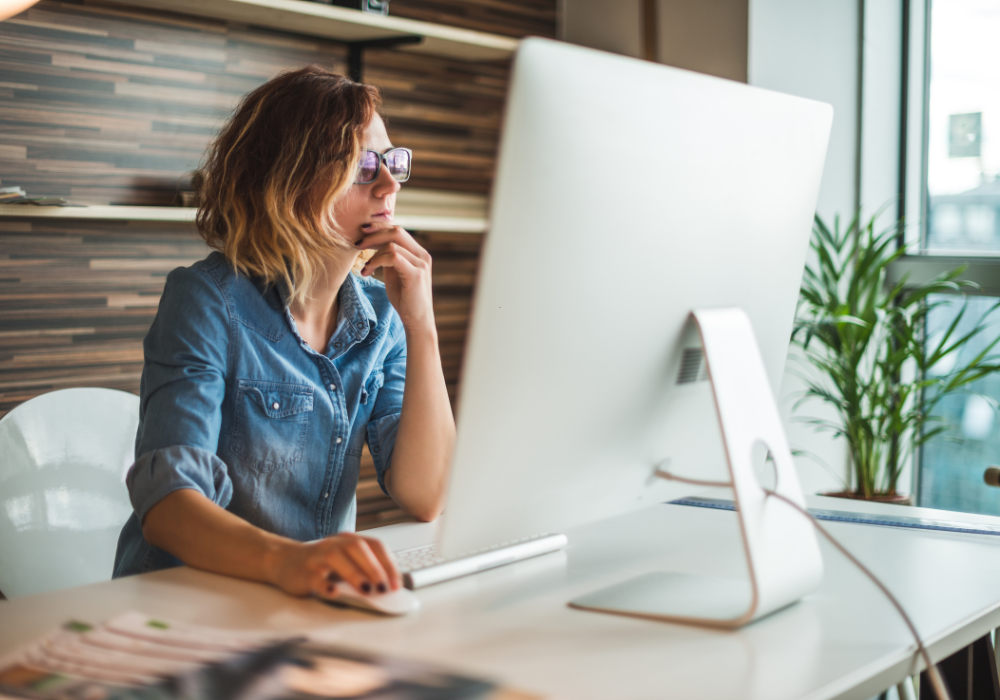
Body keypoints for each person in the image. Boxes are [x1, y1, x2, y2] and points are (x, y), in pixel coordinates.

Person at [112, 66, 456, 601]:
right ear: (288, 179)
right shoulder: (205, 300)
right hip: (185, 604)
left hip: (306, 600)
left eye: (393, 162)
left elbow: (427, 494)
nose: (390, 184)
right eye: (364, 166)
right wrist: (291, 562)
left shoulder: (384, 317)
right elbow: (168, 505)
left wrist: (422, 324)